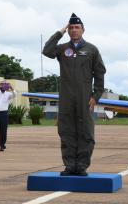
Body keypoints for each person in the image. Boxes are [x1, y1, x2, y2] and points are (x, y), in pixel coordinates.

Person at [42, 13, 106, 176]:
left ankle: (82, 166)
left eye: (77, 27)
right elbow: (47, 50)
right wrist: (59, 32)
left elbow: (99, 73)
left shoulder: (91, 49)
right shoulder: (63, 49)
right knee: (66, 131)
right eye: (71, 28)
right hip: (66, 98)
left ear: (83, 30)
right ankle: (70, 165)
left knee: (86, 133)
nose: (74, 30)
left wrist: (96, 96)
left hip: (85, 98)